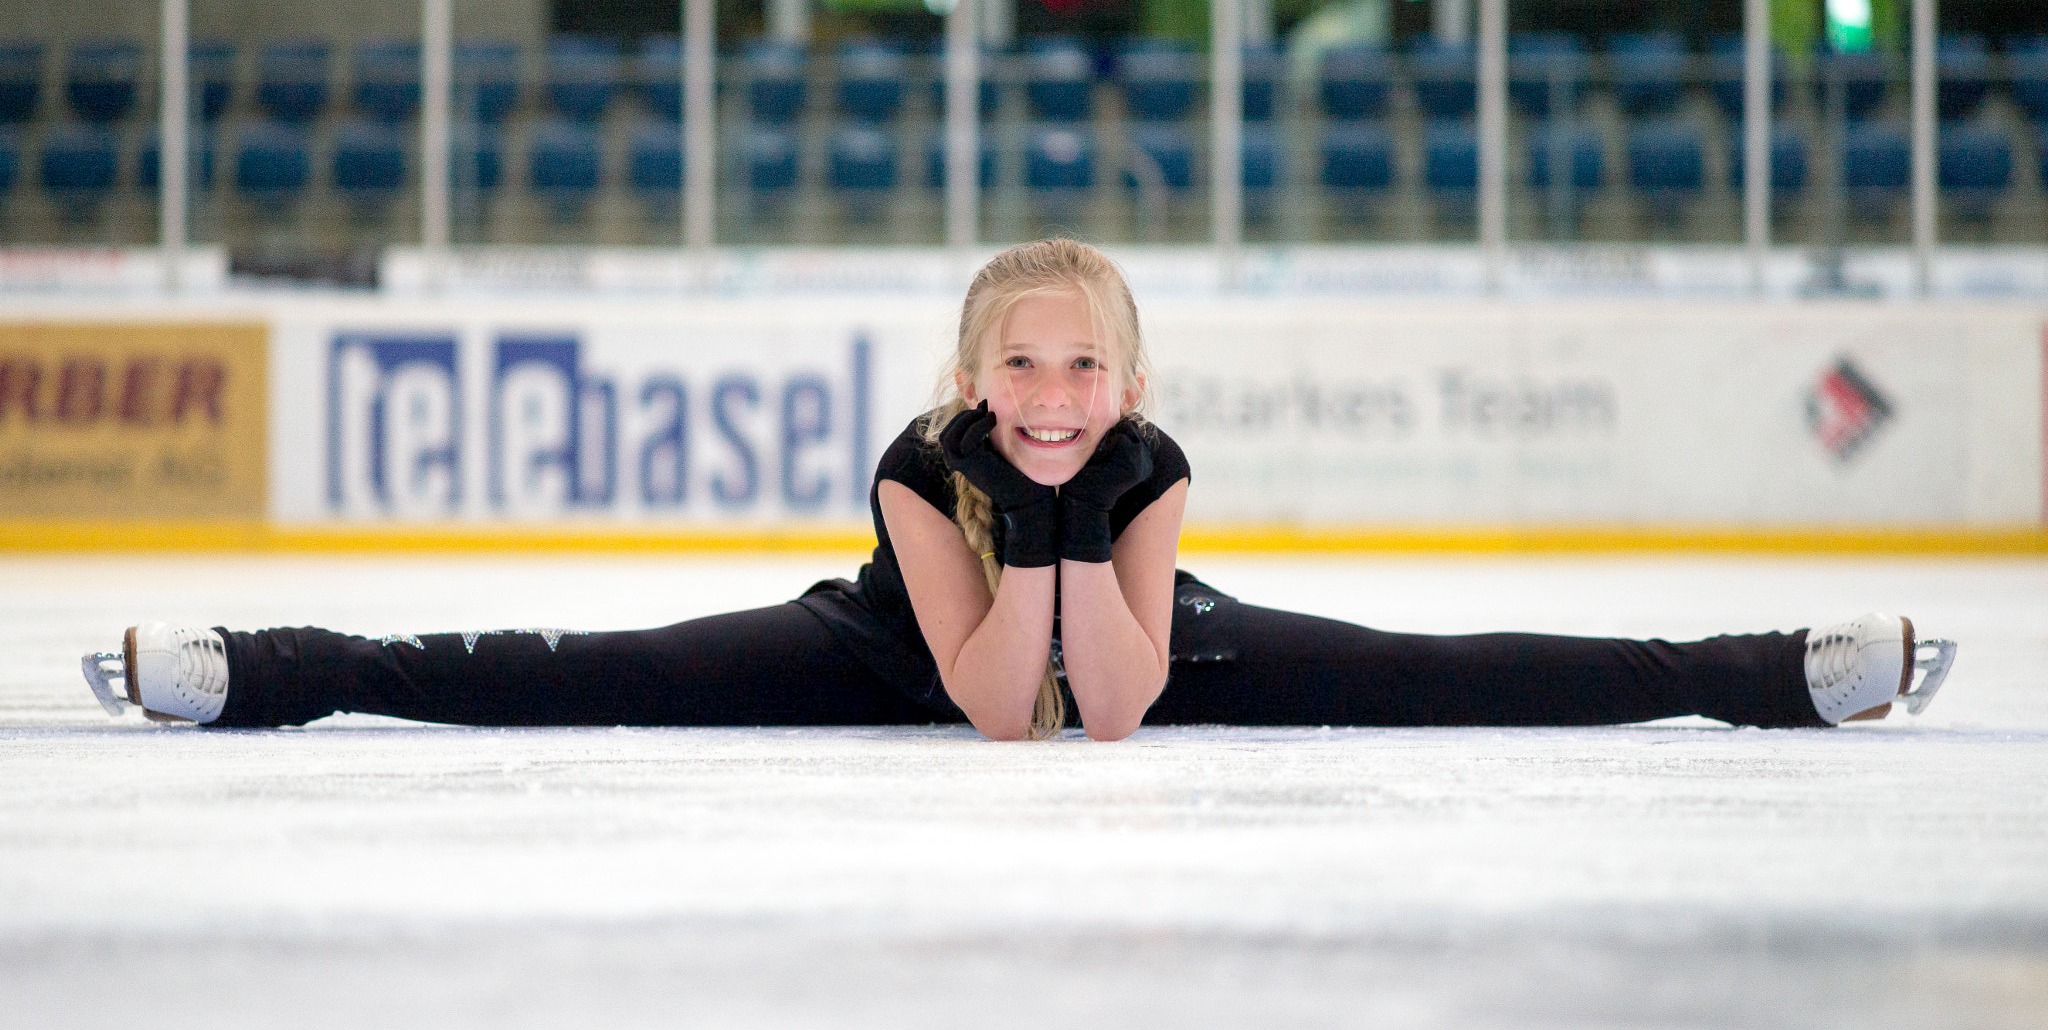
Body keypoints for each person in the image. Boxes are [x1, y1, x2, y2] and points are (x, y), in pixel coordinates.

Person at [83, 238, 1956, 738]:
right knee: (565, 664)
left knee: (1468, 664)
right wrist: (1022, 531)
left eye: (1084, 368)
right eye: (1021, 366)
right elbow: (993, 709)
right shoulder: (921, 465)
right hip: (903, 643)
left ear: (1127, 384)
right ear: (966, 380)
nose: (1052, 396)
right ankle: (262, 664)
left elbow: (1111, 706)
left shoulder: (1142, 463)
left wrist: (1076, 523)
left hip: (1154, 641)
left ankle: (1782, 666)